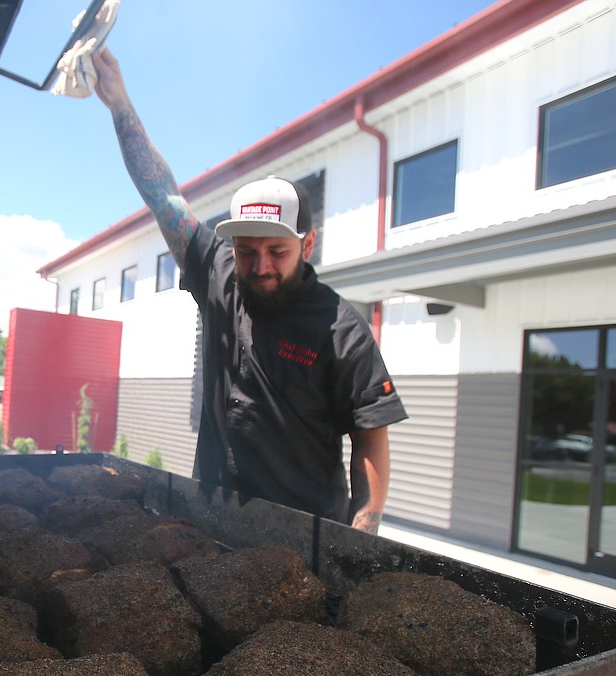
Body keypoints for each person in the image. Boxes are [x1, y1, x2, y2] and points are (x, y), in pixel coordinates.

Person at [91, 48, 407, 534]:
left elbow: (370, 441)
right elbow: (164, 197)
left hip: (303, 535)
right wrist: (119, 105)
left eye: (277, 252)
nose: (260, 266)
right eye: (246, 250)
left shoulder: (342, 330)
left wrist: (360, 538)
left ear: (308, 243)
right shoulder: (219, 275)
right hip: (210, 519)